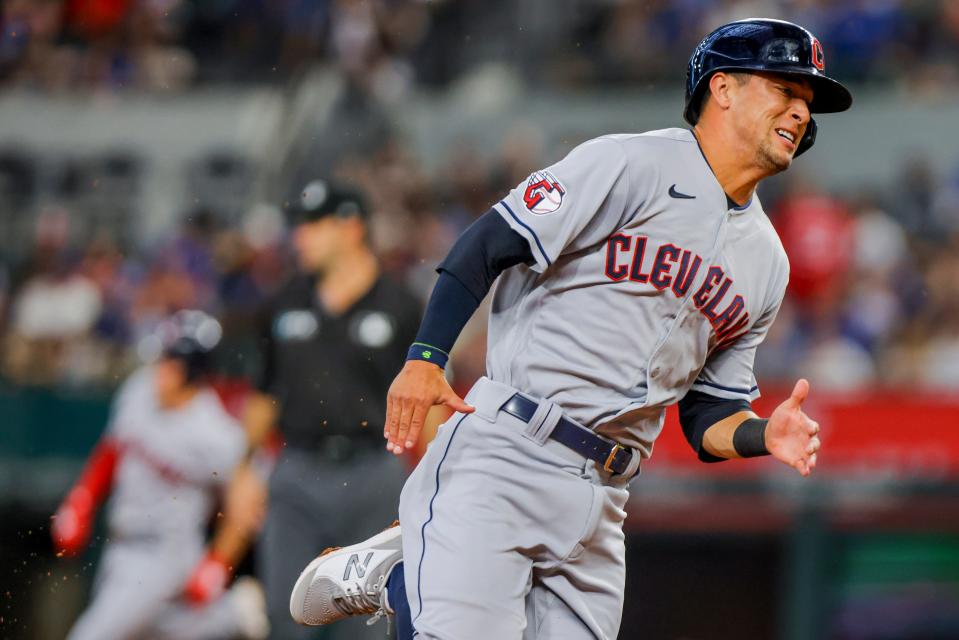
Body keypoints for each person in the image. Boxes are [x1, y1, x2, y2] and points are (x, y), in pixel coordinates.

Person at [289, 18, 851, 640]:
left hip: (605, 498)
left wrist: (761, 433)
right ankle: (410, 574)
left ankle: (415, 566)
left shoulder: (768, 262)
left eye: (808, 101)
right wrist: (426, 357)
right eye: (786, 90)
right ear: (723, 89)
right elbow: (489, 243)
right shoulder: (630, 163)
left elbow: (707, 416)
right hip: (510, 451)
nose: (801, 111)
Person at [239, 179, 421, 640]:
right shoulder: (283, 302)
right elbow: (263, 398)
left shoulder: (401, 306)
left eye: (314, 225)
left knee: (365, 627)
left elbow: (429, 409)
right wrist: (243, 471)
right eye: (300, 225)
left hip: (372, 476)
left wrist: (433, 480)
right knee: (284, 618)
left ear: (351, 227)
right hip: (296, 470)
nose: (300, 236)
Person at [51, 310, 269, 640]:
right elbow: (112, 449)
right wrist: (81, 500)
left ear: (195, 370)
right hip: (119, 543)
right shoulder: (138, 390)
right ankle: (228, 616)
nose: (161, 369)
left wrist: (217, 563)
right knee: (151, 632)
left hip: (166, 553)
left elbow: (245, 506)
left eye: (172, 362)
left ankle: (224, 616)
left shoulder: (216, 433)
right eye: (162, 358)